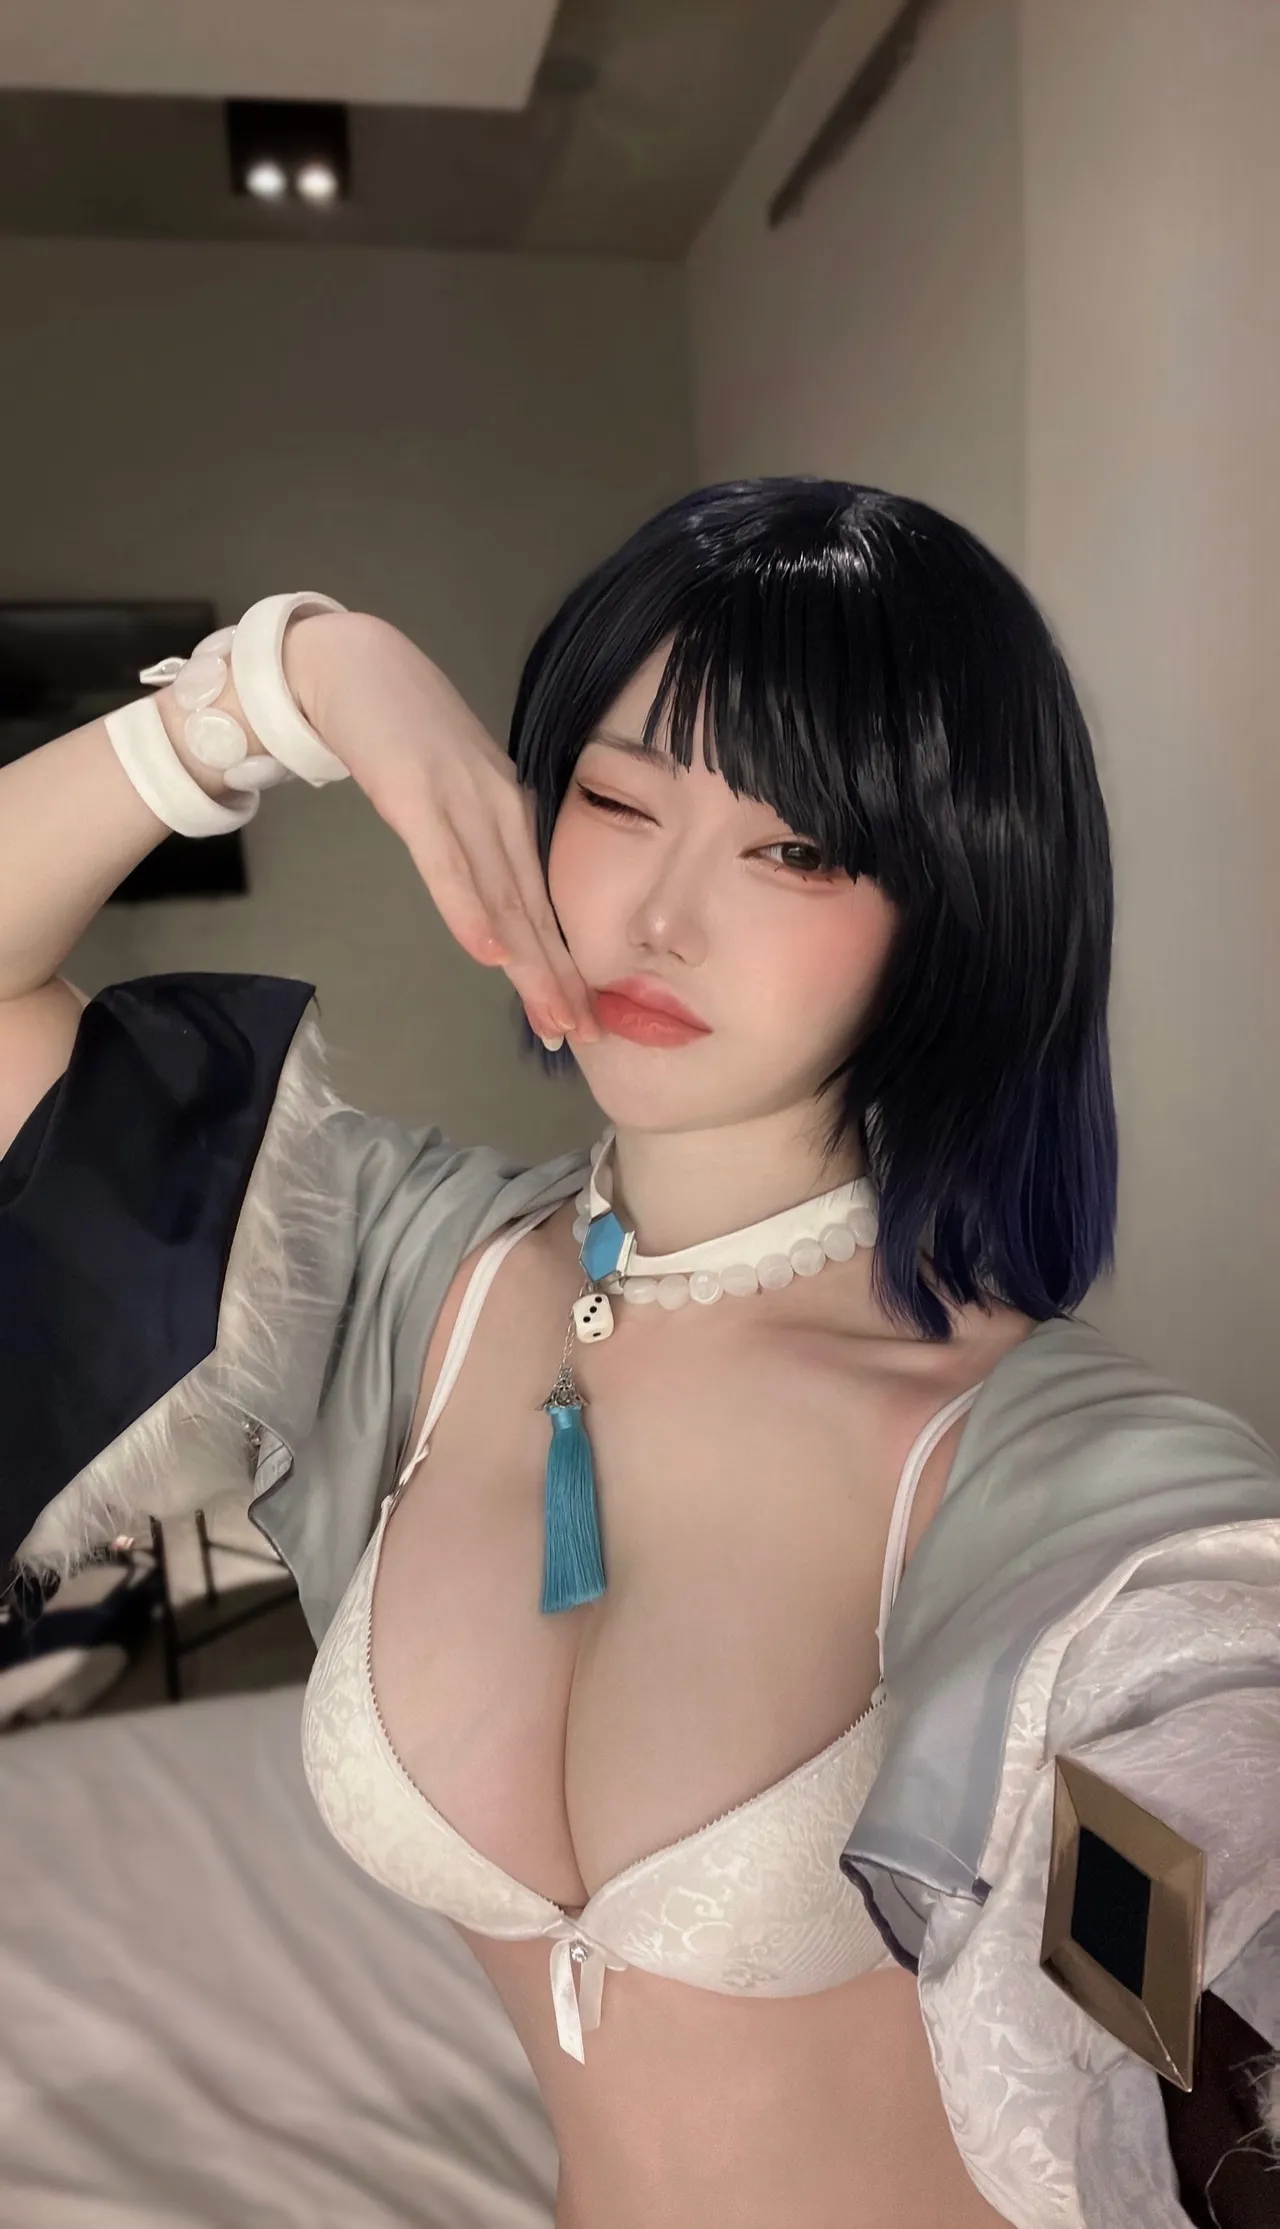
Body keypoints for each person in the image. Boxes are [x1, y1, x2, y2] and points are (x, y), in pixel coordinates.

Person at [1, 479, 1277, 2229]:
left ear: (961, 909)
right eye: (615, 799)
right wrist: (304, 683)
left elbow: (1212, 1966)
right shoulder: (397, 1278)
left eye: (797, 850)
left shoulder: (1053, 1486)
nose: (664, 915)